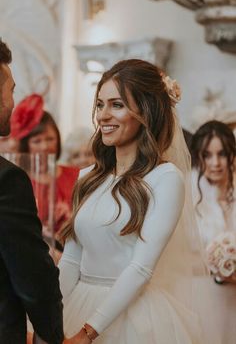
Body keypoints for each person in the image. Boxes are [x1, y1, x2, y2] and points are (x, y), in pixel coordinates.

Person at [58, 59, 205, 343]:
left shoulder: (165, 178)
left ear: (145, 112)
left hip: (131, 316)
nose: (102, 115)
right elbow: (70, 261)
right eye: (100, 105)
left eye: (117, 104)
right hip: (77, 304)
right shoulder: (87, 176)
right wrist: (48, 318)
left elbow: (140, 268)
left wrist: (88, 332)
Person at [0, 42, 63, 342]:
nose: (13, 102)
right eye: (11, 90)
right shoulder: (7, 179)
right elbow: (33, 281)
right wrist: (51, 334)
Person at [191, 120, 236, 344]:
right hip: (203, 298)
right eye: (207, 155)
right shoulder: (190, 200)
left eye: (222, 154)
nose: (215, 163)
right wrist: (217, 270)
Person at [10, 94, 80, 235]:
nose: (45, 146)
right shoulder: (19, 180)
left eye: (50, 139)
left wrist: (72, 218)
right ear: (26, 145)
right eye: (37, 141)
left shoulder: (77, 174)